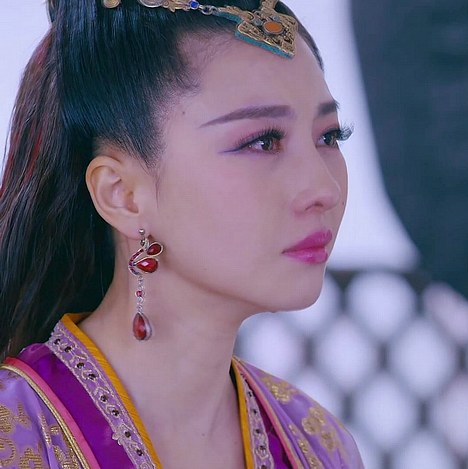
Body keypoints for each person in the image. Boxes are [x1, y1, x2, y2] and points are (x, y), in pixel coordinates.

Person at [0, 0, 363, 467]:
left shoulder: (317, 444)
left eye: (329, 137)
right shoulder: (17, 436)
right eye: (263, 141)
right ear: (123, 195)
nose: (324, 189)